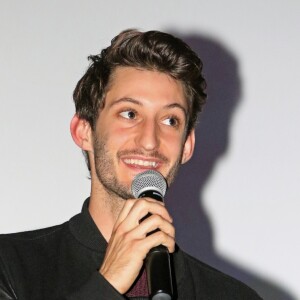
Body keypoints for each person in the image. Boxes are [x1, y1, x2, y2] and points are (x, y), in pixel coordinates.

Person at [0, 29, 262, 299]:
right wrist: (109, 281)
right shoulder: (10, 267)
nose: (150, 141)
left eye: (170, 120)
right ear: (84, 131)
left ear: (186, 146)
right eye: (130, 114)